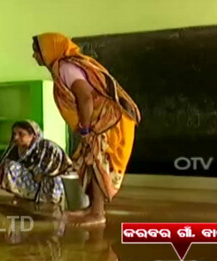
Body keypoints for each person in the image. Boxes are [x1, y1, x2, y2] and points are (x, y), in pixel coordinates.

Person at [32, 33, 142, 225]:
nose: (34, 55)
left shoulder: (66, 67)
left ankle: (97, 214)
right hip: (99, 121)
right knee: (89, 164)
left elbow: (85, 98)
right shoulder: (63, 67)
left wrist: (85, 130)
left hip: (105, 122)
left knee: (96, 162)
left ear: (49, 50)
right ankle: (92, 209)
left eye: (37, 51)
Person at [0, 120, 72, 208]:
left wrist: (43, 174)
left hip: (49, 185)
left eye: (21, 134)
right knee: (8, 166)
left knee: (52, 179)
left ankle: (46, 200)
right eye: (14, 134)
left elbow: (65, 166)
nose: (16, 137)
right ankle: (26, 195)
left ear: (33, 135)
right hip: (33, 182)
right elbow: (2, 169)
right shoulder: (15, 149)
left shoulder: (47, 147)